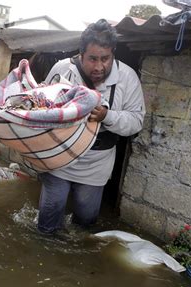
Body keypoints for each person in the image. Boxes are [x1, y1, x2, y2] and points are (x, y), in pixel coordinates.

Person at [37, 19, 145, 234]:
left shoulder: (127, 78)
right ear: (80, 54)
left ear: (113, 52)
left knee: (86, 220)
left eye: (105, 58)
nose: (99, 66)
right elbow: (42, 106)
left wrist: (108, 116)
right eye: (92, 59)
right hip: (60, 156)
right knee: (50, 215)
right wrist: (40, 96)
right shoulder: (63, 69)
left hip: (96, 163)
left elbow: (136, 122)